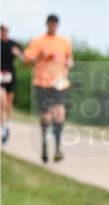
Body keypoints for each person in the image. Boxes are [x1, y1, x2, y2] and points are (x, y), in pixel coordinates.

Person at [21, 15, 73, 162]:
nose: (54, 26)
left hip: (60, 81)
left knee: (60, 112)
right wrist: (39, 57)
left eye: (56, 24)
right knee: (46, 116)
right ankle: (44, 143)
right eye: (51, 24)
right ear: (47, 24)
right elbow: (25, 61)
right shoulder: (38, 42)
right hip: (42, 82)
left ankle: (57, 148)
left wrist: (69, 63)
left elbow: (70, 60)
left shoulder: (64, 42)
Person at [1, 23, 24, 145]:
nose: (3, 32)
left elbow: (24, 59)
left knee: (8, 104)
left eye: (5, 30)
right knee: (2, 102)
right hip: (0, 79)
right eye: (2, 30)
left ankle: (7, 125)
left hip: (11, 78)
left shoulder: (13, 44)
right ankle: (3, 128)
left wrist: (18, 54)